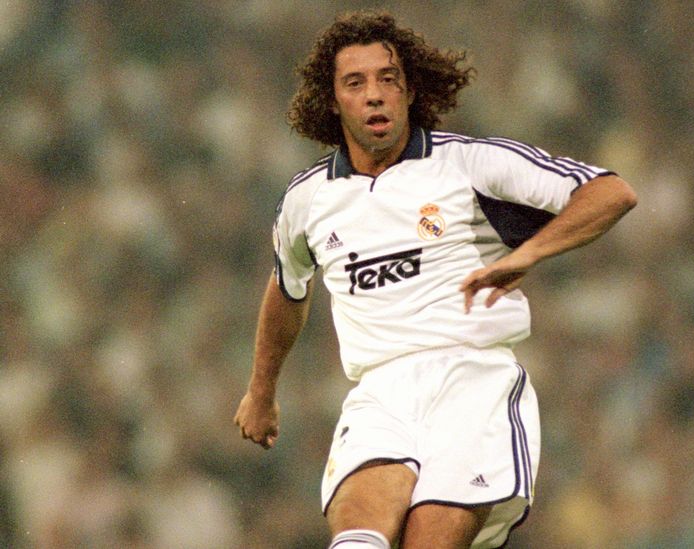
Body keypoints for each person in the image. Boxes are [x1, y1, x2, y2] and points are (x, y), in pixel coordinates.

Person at [234, 10, 637, 549]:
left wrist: (528, 254)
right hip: (379, 392)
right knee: (357, 540)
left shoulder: (470, 164)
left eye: (388, 79)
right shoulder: (307, 199)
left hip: (473, 383)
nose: (374, 95)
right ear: (332, 101)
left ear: (409, 90)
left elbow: (610, 192)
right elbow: (288, 287)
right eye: (355, 83)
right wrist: (261, 391)